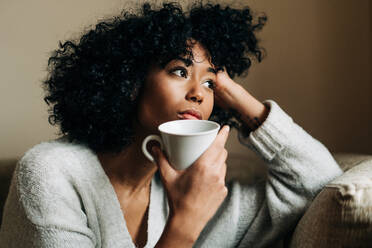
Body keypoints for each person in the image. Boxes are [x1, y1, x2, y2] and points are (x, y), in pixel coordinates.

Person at [0, 2, 343, 247]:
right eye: (179, 71)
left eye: (209, 85)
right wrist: (187, 219)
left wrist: (233, 94)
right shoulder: (50, 173)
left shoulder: (198, 189)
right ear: (131, 81)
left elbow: (320, 179)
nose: (198, 94)